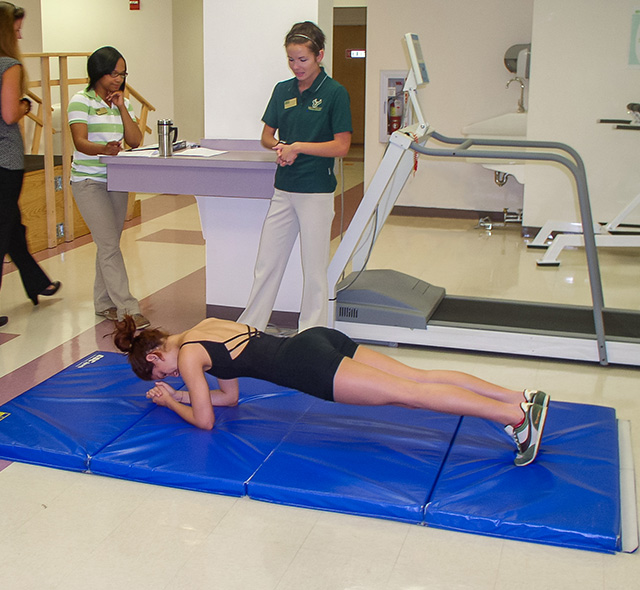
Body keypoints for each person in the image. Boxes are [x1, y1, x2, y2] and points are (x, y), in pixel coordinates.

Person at [114, 315, 550, 467]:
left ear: (155, 357)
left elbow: (207, 422)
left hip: (312, 367)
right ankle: (518, 398)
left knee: (411, 394)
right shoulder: (201, 330)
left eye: (162, 376)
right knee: (418, 377)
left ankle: (515, 420)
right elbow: (229, 398)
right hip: (316, 339)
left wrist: (173, 402)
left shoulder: (188, 357)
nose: (172, 378)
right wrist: (187, 395)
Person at [238, 21, 352, 333]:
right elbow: (266, 136)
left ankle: (312, 333)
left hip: (315, 191)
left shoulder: (334, 93)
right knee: (267, 263)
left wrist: (299, 147)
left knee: (314, 270)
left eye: (302, 59)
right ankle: (250, 327)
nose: (296, 66)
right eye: (291, 59)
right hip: (284, 188)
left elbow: (342, 146)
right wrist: (280, 147)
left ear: (320, 56)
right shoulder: (282, 90)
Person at [68, 46, 149, 329]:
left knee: (109, 244)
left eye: (123, 73)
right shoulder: (81, 101)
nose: (119, 78)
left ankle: (103, 303)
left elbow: (135, 139)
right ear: (99, 73)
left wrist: (123, 107)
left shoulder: (118, 102)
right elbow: (80, 141)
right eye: (114, 73)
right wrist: (104, 149)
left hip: (116, 180)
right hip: (88, 182)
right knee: (108, 245)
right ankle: (127, 307)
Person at [0, 2, 61, 326]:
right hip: (5, 164)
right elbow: (9, 114)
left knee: (12, 226)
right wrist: (24, 104)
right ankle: (36, 281)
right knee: (4, 228)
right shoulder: (9, 65)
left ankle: (36, 281)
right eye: (17, 29)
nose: (21, 34)